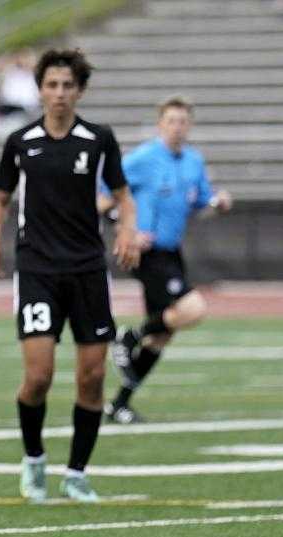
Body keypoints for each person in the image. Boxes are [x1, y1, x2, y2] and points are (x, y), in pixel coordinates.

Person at [0, 48, 139, 504]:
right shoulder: (21, 141)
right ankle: (34, 460)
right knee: (39, 376)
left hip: (88, 270)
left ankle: (77, 474)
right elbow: (0, 200)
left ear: (79, 91)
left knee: (92, 377)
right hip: (38, 270)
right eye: (52, 85)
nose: (59, 93)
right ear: (40, 89)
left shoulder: (98, 138)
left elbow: (123, 195)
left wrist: (127, 230)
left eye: (68, 85)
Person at [101, 94, 232, 424]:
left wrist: (217, 203)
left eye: (183, 121)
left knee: (161, 335)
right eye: (171, 121)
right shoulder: (144, 158)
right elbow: (104, 195)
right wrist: (125, 228)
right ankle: (128, 337)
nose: (177, 127)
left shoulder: (193, 161)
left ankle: (119, 404)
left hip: (172, 252)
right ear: (160, 124)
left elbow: (201, 201)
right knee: (193, 309)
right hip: (147, 253)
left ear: (190, 125)